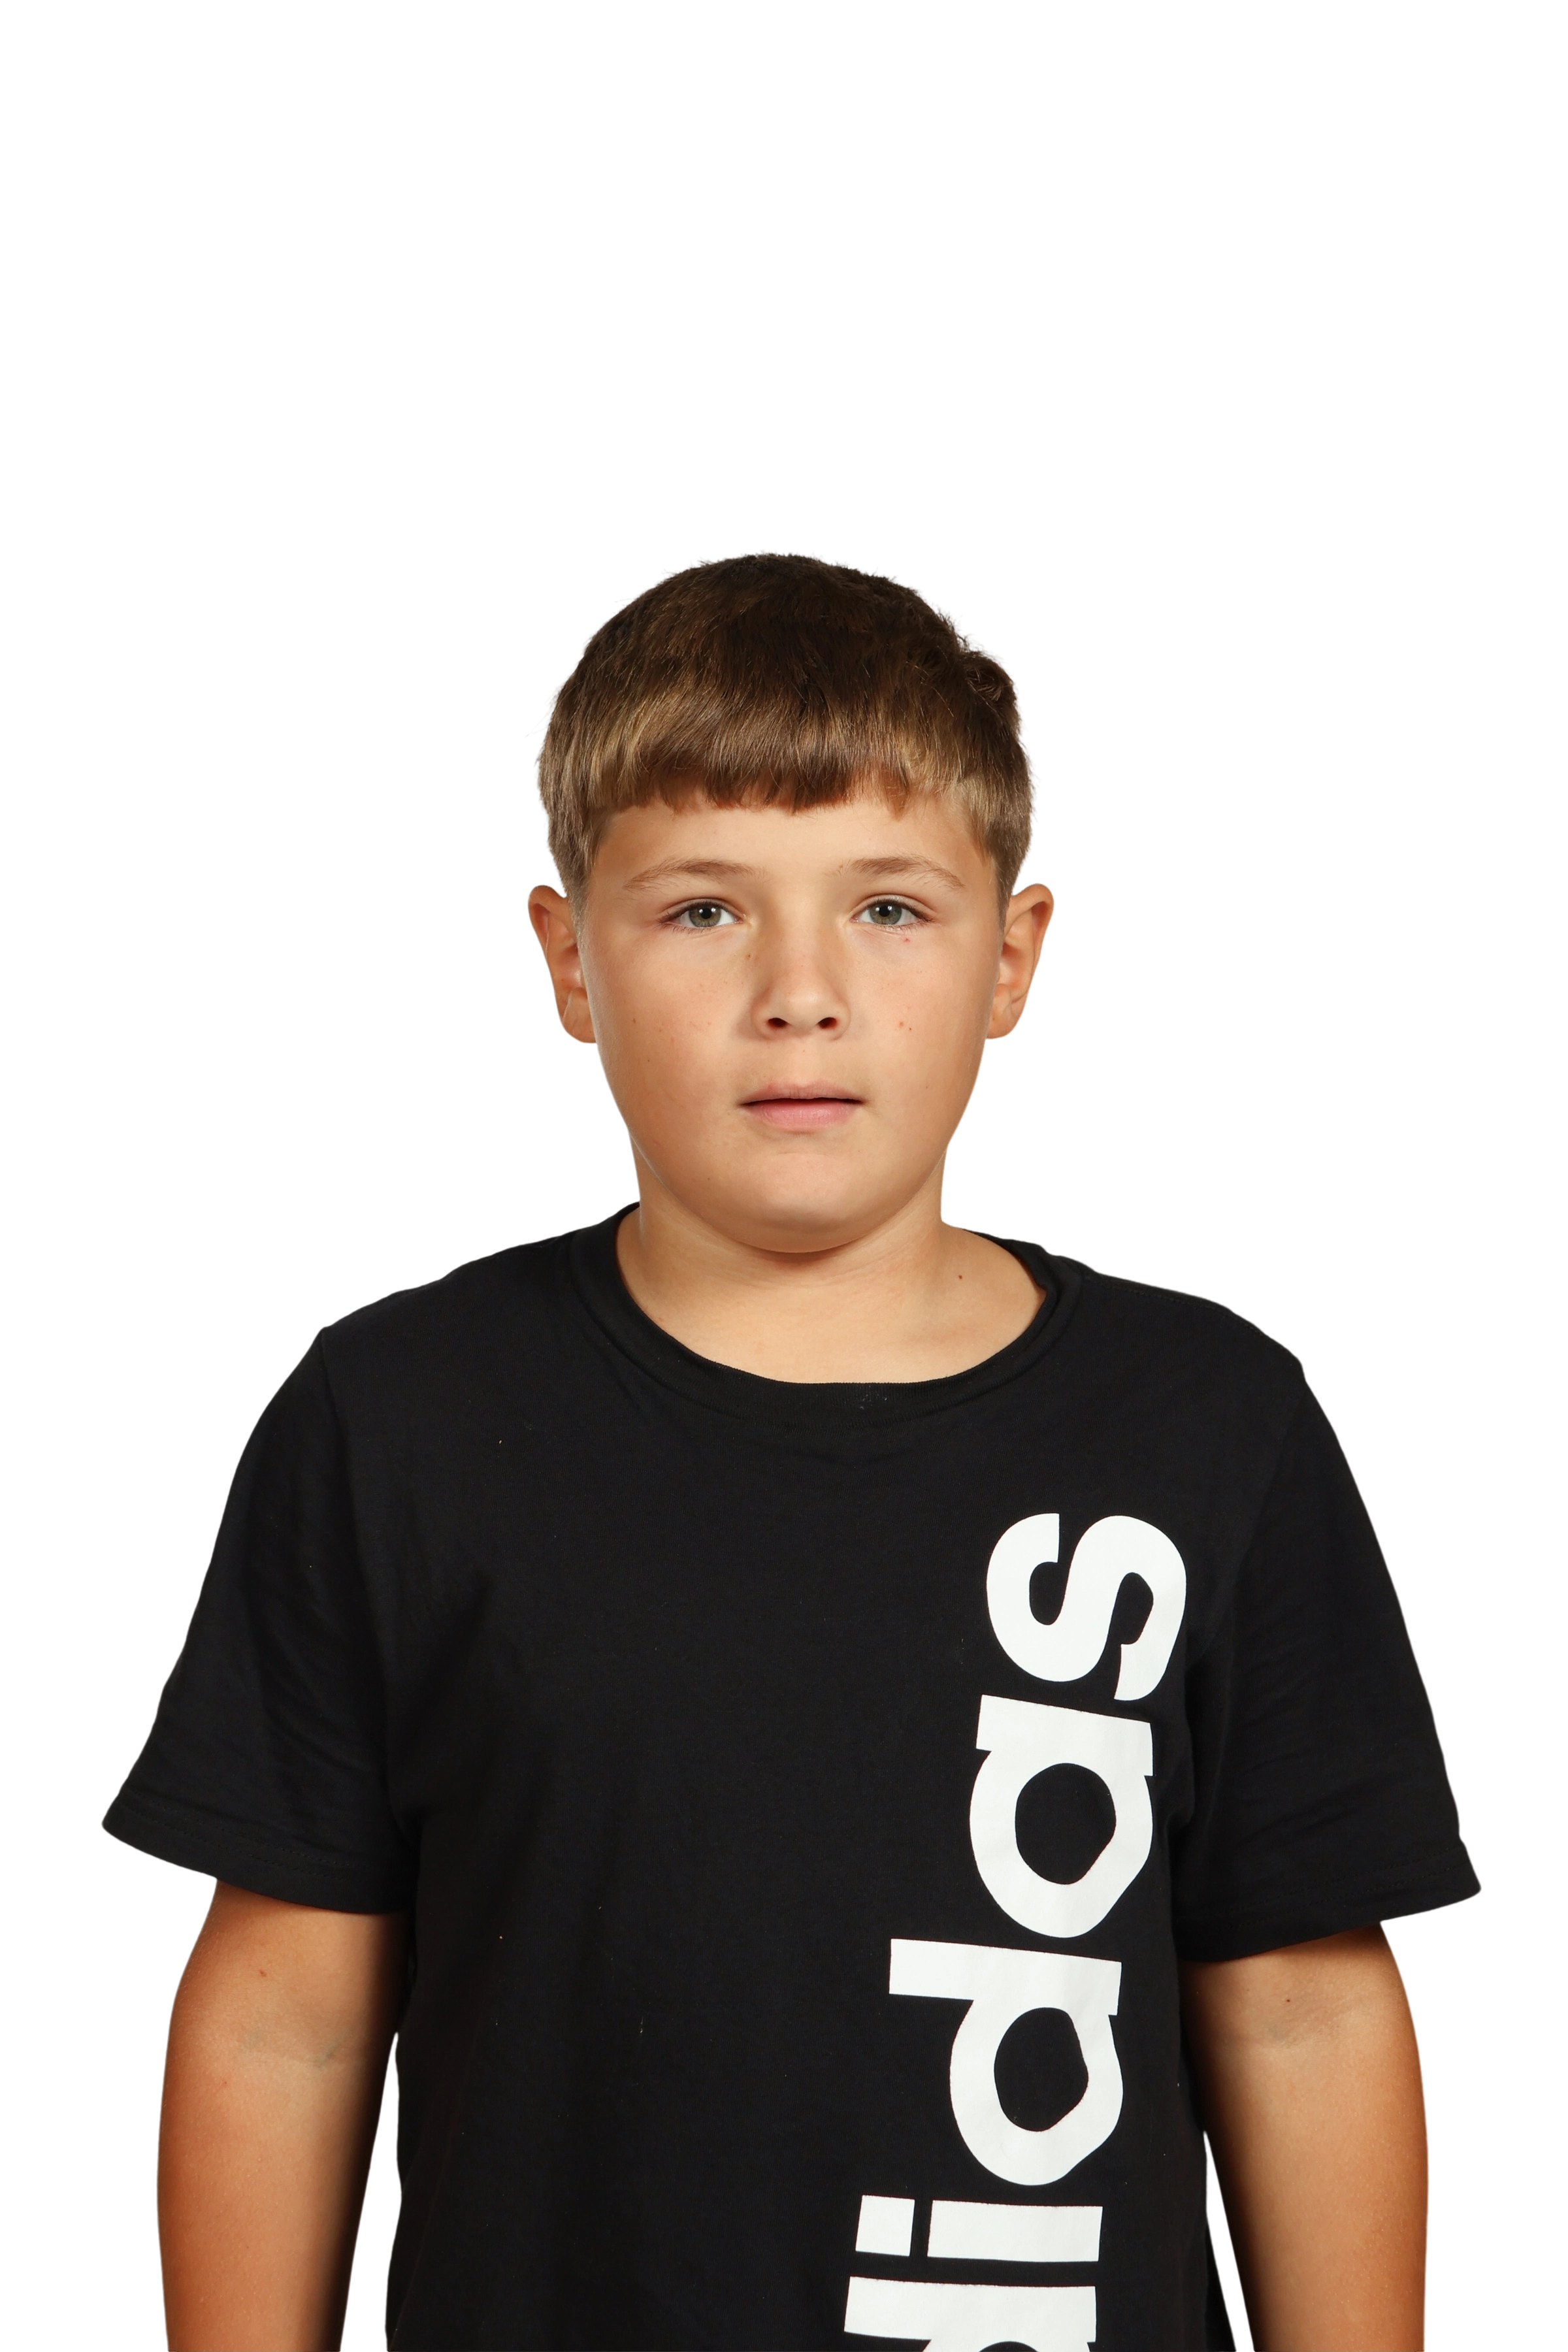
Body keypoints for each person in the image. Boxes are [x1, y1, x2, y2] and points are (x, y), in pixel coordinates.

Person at [101, 547, 1480, 2352]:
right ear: (567, 957)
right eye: (703, 910)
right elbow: (287, 2015)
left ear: (1015, 955)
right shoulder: (393, 1420)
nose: (800, 992)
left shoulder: (1210, 1422)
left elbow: (1300, 2004)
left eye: (890, 907)